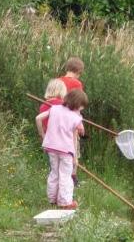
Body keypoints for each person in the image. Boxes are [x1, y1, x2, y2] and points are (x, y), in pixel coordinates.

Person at [36, 90, 88, 209]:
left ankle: (52, 198)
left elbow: (38, 118)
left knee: (54, 173)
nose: (81, 109)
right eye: (81, 107)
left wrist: (43, 136)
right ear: (77, 105)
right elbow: (80, 133)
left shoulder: (54, 108)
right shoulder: (76, 118)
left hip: (51, 147)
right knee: (65, 175)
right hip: (66, 150)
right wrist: (75, 157)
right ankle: (65, 202)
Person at [59, 57, 85, 186]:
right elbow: (77, 105)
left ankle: (60, 176)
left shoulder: (58, 81)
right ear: (79, 71)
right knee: (74, 148)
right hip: (71, 122)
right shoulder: (77, 84)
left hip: (58, 121)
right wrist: (80, 124)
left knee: (60, 149)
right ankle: (73, 178)